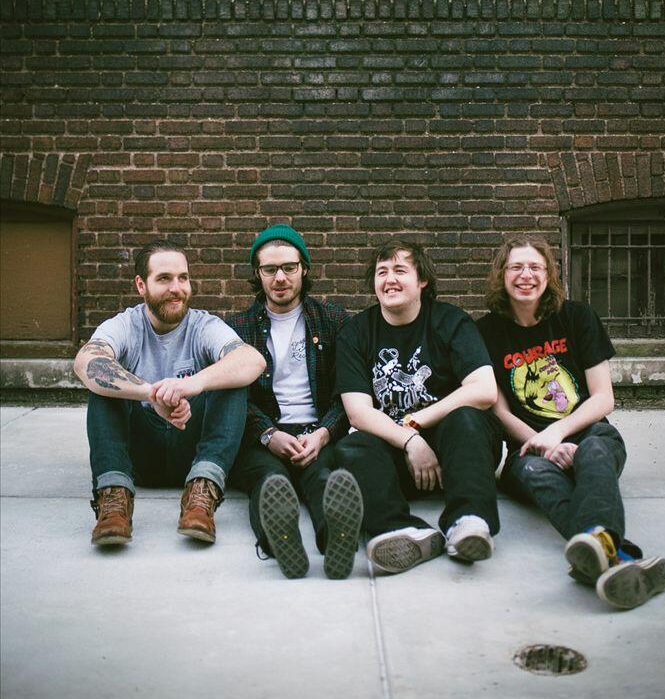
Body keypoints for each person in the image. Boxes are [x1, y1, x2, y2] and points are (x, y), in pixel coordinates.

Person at [477, 233, 665, 610]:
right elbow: (499, 410)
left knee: (594, 451)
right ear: (502, 275)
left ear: (549, 274)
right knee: (538, 475)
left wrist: (559, 433)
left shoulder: (577, 317)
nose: (526, 275)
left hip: (588, 433)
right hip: (527, 449)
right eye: (516, 267)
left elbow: (603, 397)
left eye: (535, 267)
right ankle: (617, 554)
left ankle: (599, 549)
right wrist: (541, 444)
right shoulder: (485, 332)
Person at [74, 239, 265, 547]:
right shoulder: (126, 325)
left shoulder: (203, 325)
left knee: (232, 379)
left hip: (193, 450)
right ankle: (114, 501)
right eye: (164, 278)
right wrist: (152, 394)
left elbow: (252, 360)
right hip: (139, 455)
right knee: (104, 384)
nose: (176, 288)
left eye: (183, 278)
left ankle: (202, 494)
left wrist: (192, 385)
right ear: (141, 285)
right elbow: (87, 362)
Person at [335, 237, 501, 575]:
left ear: (422, 279)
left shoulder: (450, 322)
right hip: (399, 457)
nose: (389, 280)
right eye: (382, 272)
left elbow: (484, 390)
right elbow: (358, 412)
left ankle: (468, 522)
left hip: (457, 453)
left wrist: (418, 422)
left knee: (466, 418)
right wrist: (410, 440)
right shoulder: (356, 332)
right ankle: (403, 531)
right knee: (353, 446)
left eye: (400, 270)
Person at [226, 225, 363, 580]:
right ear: (257, 273)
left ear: (304, 269)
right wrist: (268, 434)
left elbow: (347, 390)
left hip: (317, 433)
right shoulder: (237, 328)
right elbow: (234, 396)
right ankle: (282, 545)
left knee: (323, 479)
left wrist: (323, 434)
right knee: (268, 481)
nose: (280, 278)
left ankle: (337, 541)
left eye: (289, 267)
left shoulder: (334, 321)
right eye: (270, 269)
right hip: (263, 435)